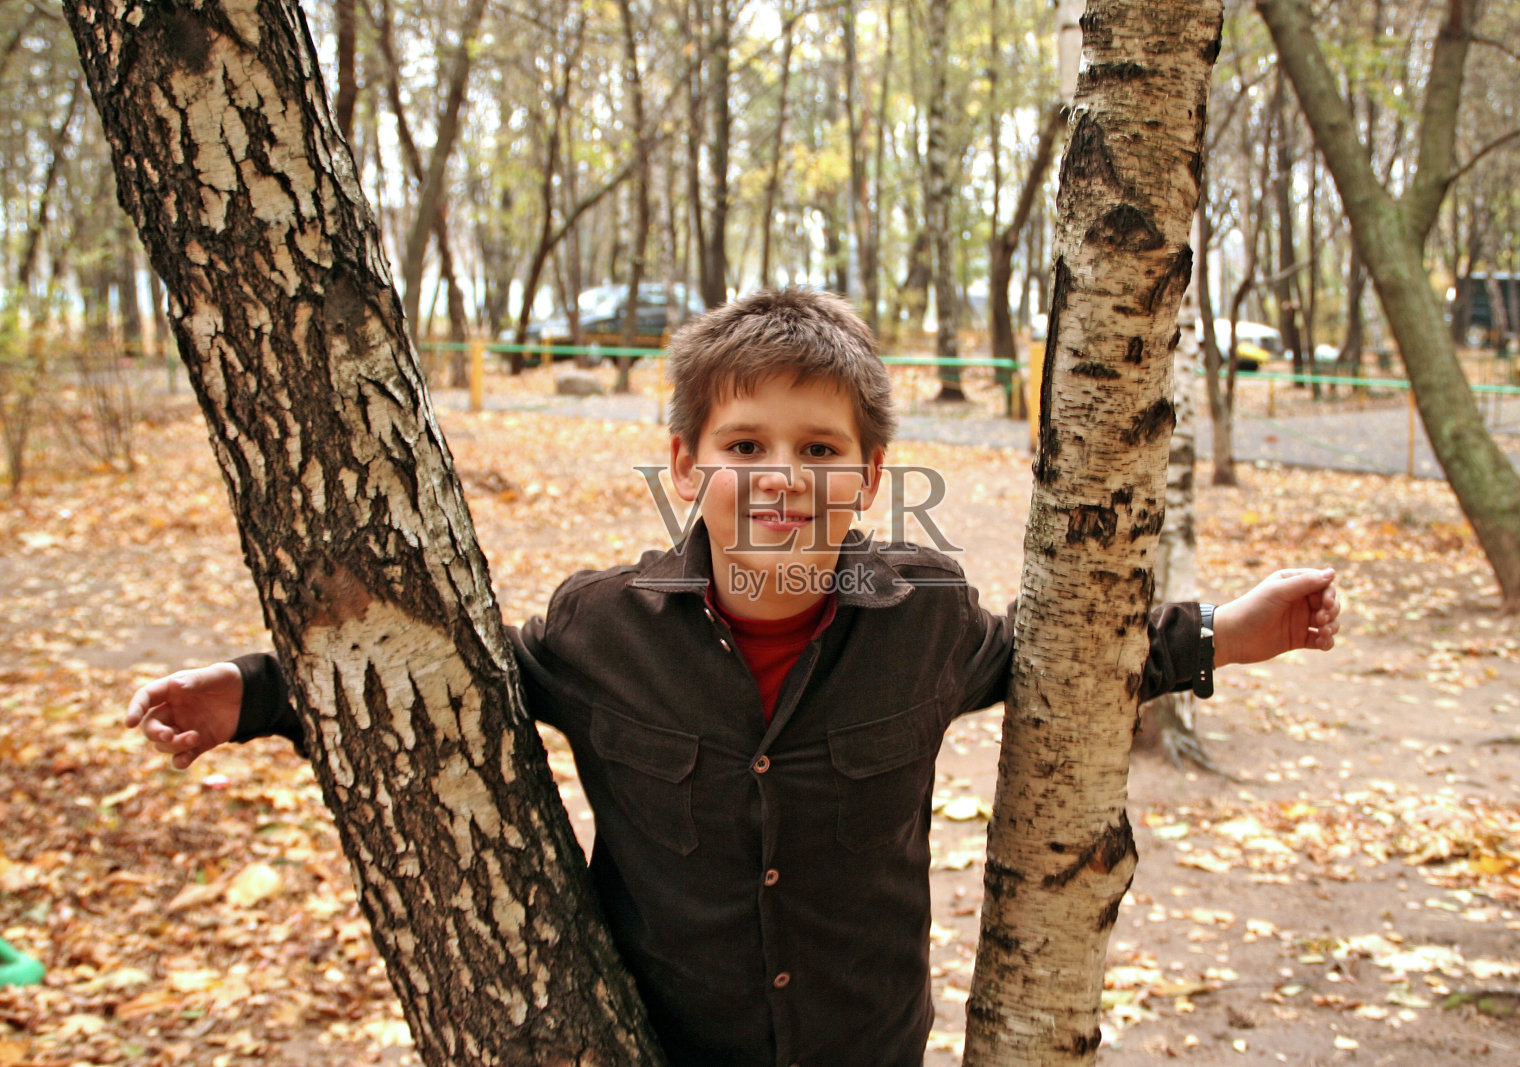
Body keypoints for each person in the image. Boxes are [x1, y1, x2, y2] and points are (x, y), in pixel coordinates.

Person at [127, 288, 1340, 1066]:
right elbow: (445, 675)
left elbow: (1055, 658)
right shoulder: (604, 627)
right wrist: (252, 693)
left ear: (868, 478)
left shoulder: (920, 615)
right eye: (743, 445)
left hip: (865, 1045)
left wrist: (1230, 630)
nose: (780, 477)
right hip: (659, 1041)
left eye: (819, 450)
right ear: (683, 462)